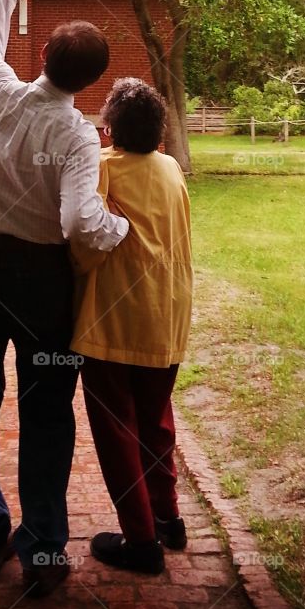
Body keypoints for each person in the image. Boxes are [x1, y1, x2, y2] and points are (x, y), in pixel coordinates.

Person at [0, 0, 129, 598]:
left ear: (42, 54)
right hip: (42, 283)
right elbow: (82, 221)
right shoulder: (78, 134)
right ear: (92, 79)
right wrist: (121, 230)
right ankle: (45, 550)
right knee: (47, 411)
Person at [70, 78, 194, 575]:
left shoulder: (102, 167)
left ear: (110, 129)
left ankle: (140, 540)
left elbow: (84, 243)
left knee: (117, 429)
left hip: (114, 324)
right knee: (156, 420)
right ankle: (168, 517)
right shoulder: (171, 169)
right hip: (167, 317)